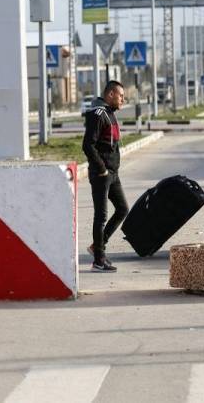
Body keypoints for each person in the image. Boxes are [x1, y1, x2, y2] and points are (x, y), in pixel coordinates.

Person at [82, 80, 128, 272]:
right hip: (102, 174)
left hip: (112, 173)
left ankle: (97, 246)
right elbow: (87, 145)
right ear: (110, 94)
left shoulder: (110, 114)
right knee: (101, 216)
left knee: (123, 209)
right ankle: (99, 260)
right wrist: (101, 169)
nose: (123, 100)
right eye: (120, 96)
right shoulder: (98, 114)